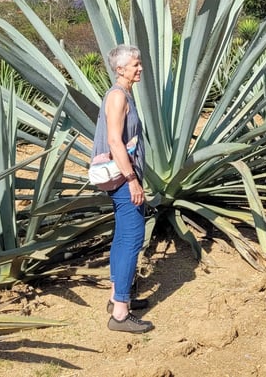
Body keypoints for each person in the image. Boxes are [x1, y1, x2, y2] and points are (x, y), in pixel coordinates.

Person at [92, 44, 154, 334]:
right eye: (135, 64)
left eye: (139, 63)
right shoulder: (117, 97)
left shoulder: (123, 94)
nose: (139, 68)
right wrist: (132, 180)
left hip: (121, 179)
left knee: (121, 238)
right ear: (120, 69)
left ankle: (117, 295)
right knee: (132, 239)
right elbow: (115, 142)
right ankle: (120, 314)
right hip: (123, 179)